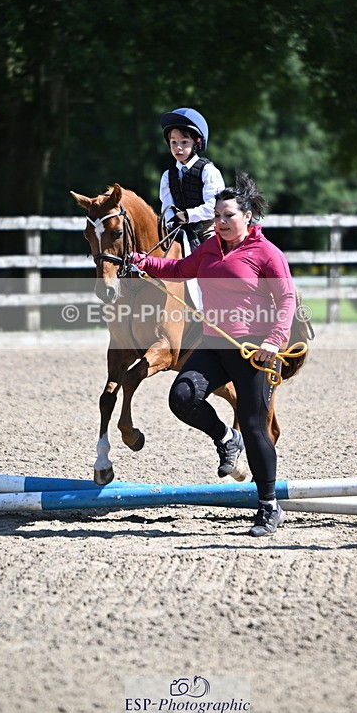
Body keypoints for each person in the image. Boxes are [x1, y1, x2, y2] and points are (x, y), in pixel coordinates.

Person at [131, 172, 296, 537]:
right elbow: (177, 268)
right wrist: (141, 261)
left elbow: (287, 300)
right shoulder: (208, 248)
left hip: (253, 349)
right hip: (214, 345)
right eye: (217, 216)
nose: (219, 222)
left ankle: (269, 505)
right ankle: (225, 437)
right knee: (182, 397)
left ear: (247, 216)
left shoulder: (267, 253)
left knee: (255, 426)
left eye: (228, 216)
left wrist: (274, 340)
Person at [159, 107, 225, 250]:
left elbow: (211, 207)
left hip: (206, 228)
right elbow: (167, 206)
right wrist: (171, 220)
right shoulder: (167, 176)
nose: (178, 148)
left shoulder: (208, 171)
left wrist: (187, 215)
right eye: (173, 142)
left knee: (215, 257)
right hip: (178, 229)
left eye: (184, 142)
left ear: (196, 143)